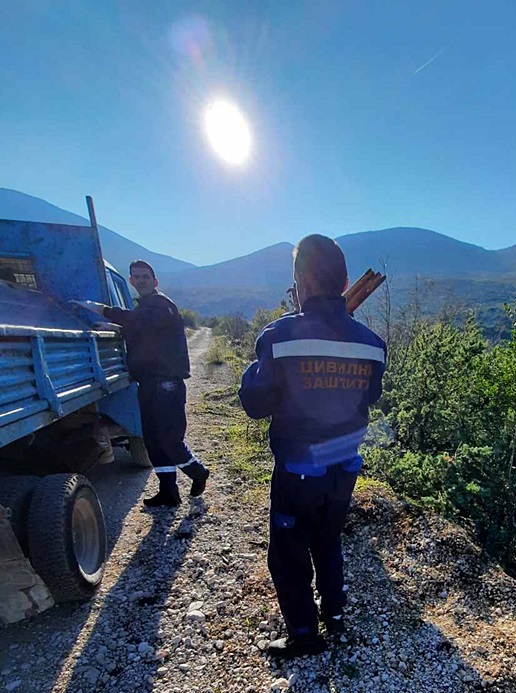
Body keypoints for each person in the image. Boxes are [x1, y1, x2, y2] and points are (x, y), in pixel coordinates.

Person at [238, 234, 387, 658]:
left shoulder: (280, 336)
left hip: (298, 472)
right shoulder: (372, 345)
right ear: (345, 284)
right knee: (328, 538)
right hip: (345, 468)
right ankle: (334, 613)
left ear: (301, 282)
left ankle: (304, 633)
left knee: (288, 551)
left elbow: (255, 403)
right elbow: (371, 396)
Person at [72, 260, 209, 507]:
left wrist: (104, 310)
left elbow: (142, 322)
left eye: (146, 277)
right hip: (148, 383)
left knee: (169, 439)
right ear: (131, 281)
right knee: (153, 440)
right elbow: (143, 332)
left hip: (166, 383)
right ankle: (168, 491)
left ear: (155, 281)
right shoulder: (146, 307)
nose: (142, 280)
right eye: (137, 277)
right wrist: (115, 328)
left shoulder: (161, 305)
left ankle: (197, 471)